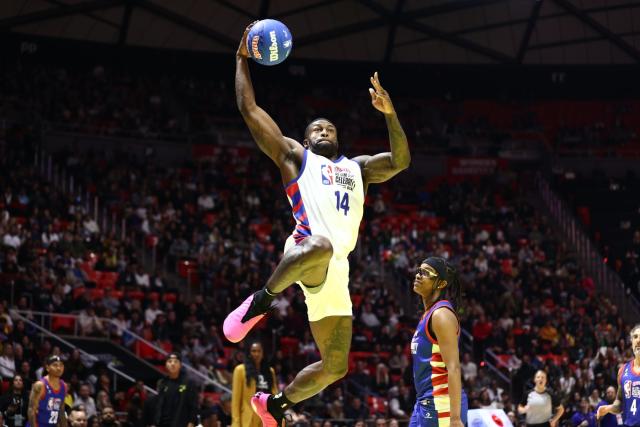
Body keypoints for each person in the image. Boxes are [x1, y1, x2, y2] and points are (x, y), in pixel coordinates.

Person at [223, 21, 410, 426]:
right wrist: (241, 59)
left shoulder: (357, 168)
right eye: (316, 128)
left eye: (330, 127)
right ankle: (260, 302)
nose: (324, 129)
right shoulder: (296, 157)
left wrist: (390, 114)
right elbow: (249, 110)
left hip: (337, 266)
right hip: (307, 247)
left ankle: (275, 405)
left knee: (336, 365)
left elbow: (400, 162)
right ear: (306, 141)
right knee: (322, 244)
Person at [410, 257, 467, 427]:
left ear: (441, 284)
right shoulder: (428, 315)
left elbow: (454, 367)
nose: (419, 275)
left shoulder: (441, 315)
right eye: (419, 270)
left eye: (426, 273)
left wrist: (455, 418)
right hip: (424, 400)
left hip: (441, 402)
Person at [597, 324, 640, 427]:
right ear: (631, 342)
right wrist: (608, 408)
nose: (638, 340)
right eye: (635, 337)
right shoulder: (622, 370)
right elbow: (620, 403)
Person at [231, 342, 277, 427]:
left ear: (263, 353)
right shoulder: (240, 370)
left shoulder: (270, 371)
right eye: (253, 351)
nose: (256, 354)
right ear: (249, 353)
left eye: (259, 351)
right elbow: (236, 400)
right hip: (249, 417)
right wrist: (236, 422)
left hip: (267, 416)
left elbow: (274, 396)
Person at [152, 354, 198, 427]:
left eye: (176, 362)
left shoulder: (188, 383)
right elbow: (159, 405)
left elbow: (193, 404)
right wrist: (155, 423)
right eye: (170, 361)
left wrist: (191, 422)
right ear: (166, 365)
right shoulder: (163, 382)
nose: (172, 364)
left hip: (180, 423)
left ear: (180, 365)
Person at [27, 355, 67, 427]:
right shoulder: (40, 385)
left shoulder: (64, 386)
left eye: (61, 365)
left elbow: (61, 411)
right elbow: (31, 410)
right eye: (55, 365)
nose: (59, 368)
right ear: (47, 368)